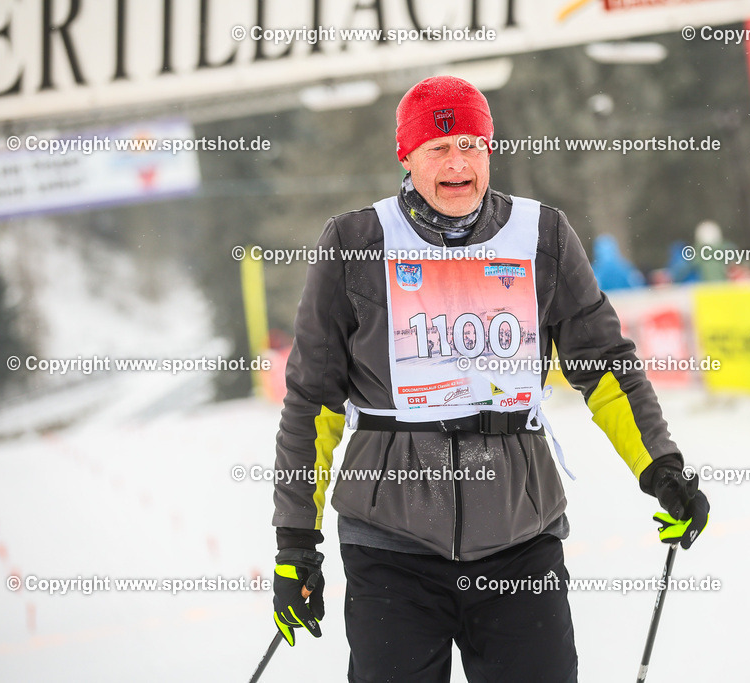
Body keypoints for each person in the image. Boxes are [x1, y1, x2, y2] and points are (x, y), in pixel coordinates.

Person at [270, 75, 710, 683]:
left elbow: (606, 367)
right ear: (406, 157)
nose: (458, 164)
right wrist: (296, 540)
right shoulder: (354, 244)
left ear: (490, 151)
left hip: (519, 536)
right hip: (391, 546)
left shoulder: (543, 236)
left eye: (472, 145)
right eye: (439, 148)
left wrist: (661, 467)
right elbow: (312, 401)